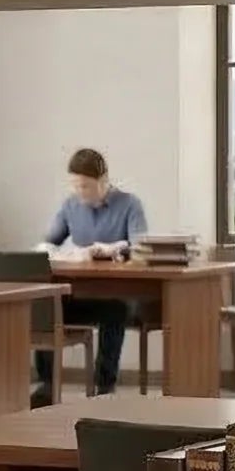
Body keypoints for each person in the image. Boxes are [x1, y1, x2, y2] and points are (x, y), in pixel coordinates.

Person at [40, 147, 149, 394]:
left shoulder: (129, 204)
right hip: (81, 289)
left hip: (118, 291)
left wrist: (112, 248)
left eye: (86, 186)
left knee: (115, 311)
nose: (80, 192)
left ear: (104, 181)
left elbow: (140, 247)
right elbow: (49, 243)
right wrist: (51, 251)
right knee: (45, 303)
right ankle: (47, 384)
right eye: (76, 186)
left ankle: (105, 384)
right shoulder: (70, 205)